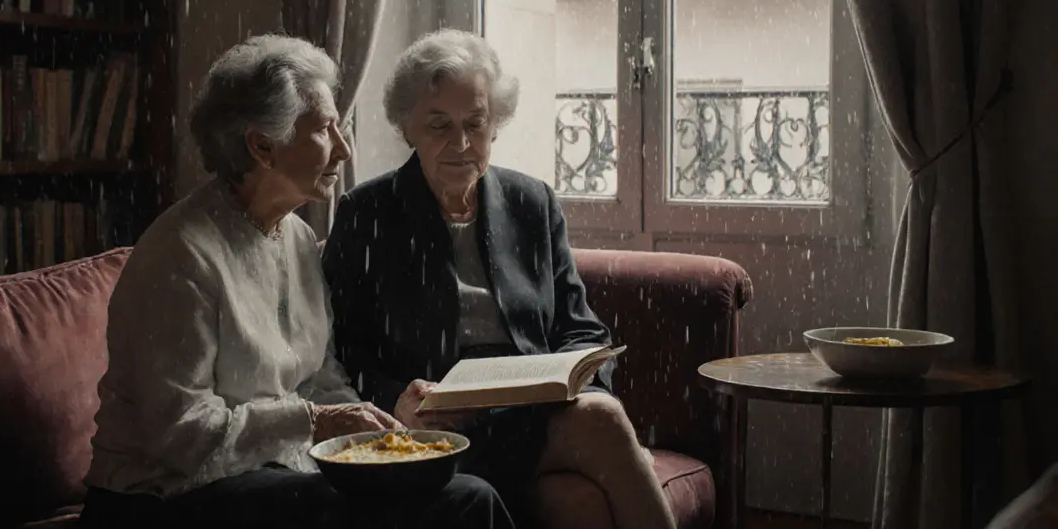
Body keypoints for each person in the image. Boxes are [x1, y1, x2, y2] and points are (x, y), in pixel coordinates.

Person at [79, 35, 514, 529]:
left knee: (466, 491)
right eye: (326, 129)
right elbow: (181, 437)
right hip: (159, 499)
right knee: (457, 504)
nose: (344, 148)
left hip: (269, 475)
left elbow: (319, 379)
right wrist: (315, 422)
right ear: (262, 145)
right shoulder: (182, 255)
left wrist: (383, 425)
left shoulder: (298, 237)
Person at [324, 29, 676, 529]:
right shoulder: (367, 213)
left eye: (476, 122)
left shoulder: (532, 202)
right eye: (440, 125)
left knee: (598, 433)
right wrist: (396, 401)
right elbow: (344, 348)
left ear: (496, 124)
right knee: (579, 499)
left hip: (531, 415)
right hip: (437, 429)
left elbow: (581, 328)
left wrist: (578, 384)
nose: (461, 143)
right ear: (408, 128)